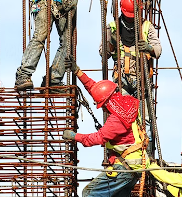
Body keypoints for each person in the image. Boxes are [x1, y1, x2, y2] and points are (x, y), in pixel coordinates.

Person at [62, 66, 147, 197]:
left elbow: (98, 138)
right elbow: (98, 90)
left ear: (107, 103)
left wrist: (75, 136)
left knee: (89, 193)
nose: (103, 109)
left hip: (125, 167)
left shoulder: (116, 120)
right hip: (134, 167)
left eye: (102, 106)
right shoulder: (126, 102)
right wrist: (79, 72)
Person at [100, 0, 161, 97]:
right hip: (122, 80)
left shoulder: (146, 26)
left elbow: (158, 51)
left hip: (142, 80)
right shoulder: (113, 27)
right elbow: (103, 54)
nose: (131, 19)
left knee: (145, 114)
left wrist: (149, 48)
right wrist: (111, 44)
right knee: (124, 111)